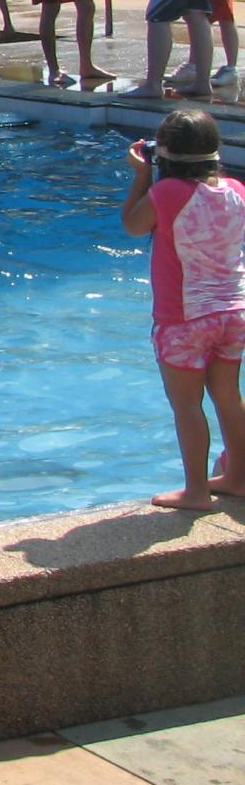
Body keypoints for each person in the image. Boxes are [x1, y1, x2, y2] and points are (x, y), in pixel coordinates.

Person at [119, 109, 245, 511]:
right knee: (228, 397)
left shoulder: (166, 193)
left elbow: (134, 226)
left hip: (184, 319)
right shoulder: (237, 189)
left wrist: (141, 176)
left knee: (187, 406)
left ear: (165, 154)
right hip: (233, 311)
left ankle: (195, 491)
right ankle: (239, 477)